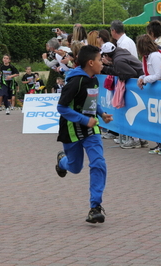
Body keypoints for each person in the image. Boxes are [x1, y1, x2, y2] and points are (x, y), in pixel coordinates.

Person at [55, 45, 113, 224]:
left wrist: (101, 113)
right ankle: (62, 162)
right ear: (90, 62)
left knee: (98, 163)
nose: (102, 63)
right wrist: (83, 120)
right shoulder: (75, 81)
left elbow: (92, 102)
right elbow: (61, 107)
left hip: (91, 129)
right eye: (99, 59)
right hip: (72, 130)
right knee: (75, 167)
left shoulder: (94, 79)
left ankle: (95, 207)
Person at [136, 34, 161, 155]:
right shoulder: (147, 58)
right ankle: (160, 144)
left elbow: (159, 75)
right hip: (155, 93)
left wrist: (145, 80)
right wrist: (141, 78)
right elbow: (148, 73)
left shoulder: (155, 56)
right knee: (157, 119)